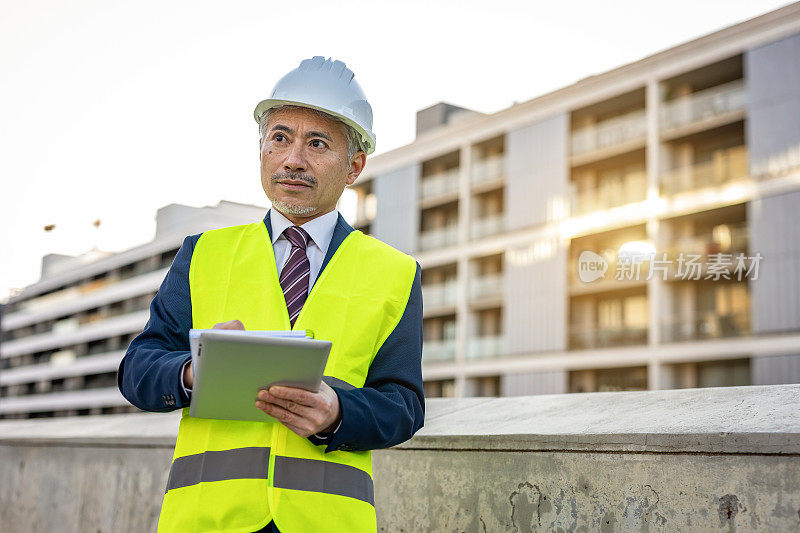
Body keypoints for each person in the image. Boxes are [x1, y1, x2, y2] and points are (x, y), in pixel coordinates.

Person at [117, 56, 424, 533]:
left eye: (317, 144)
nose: (293, 159)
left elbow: (404, 405)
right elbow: (138, 368)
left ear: (354, 166)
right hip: (207, 522)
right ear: (261, 149)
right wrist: (193, 371)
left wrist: (338, 412)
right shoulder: (203, 254)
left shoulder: (396, 273)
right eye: (280, 137)